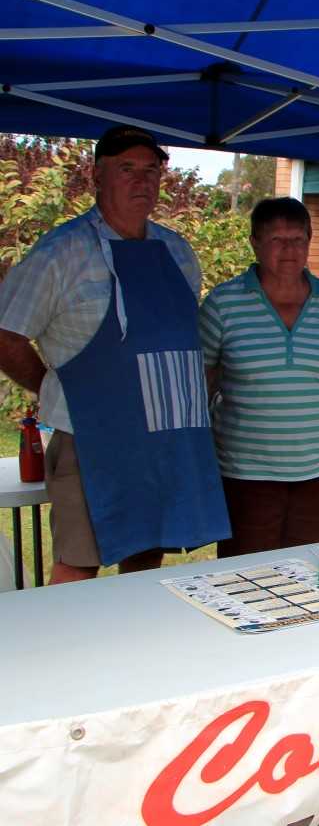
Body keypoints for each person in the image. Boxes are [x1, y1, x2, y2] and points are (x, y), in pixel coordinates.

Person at [0, 125, 229, 584]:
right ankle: (62, 652)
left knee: (146, 554)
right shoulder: (61, 254)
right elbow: (5, 336)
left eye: (152, 170)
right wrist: (52, 386)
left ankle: (136, 651)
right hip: (91, 439)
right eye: (127, 169)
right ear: (96, 176)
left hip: (163, 435)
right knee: (78, 562)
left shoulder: (177, 250)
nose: (142, 182)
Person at [199, 198, 319, 556]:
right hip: (245, 475)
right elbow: (201, 385)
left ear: (309, 242)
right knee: (245, 578)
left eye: (298, 239)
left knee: (311, 575)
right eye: (277, 240)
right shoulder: (223, 304)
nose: (289, 250)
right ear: (255, 244)